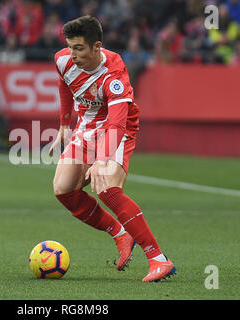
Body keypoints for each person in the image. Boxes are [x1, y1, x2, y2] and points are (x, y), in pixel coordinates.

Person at [49, 16, 176, 282]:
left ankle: (159, 259)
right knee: (63, 189)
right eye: (70, 47)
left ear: (97, 46)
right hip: (88, 123)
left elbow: (117, 121)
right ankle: (120, 233)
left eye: (79, 48)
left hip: (118, 126)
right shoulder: (62, 59)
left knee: (106, 187)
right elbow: (64, 84)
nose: (72, 55)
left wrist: (101, 159)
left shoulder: (114, 71)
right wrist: (63, 124)